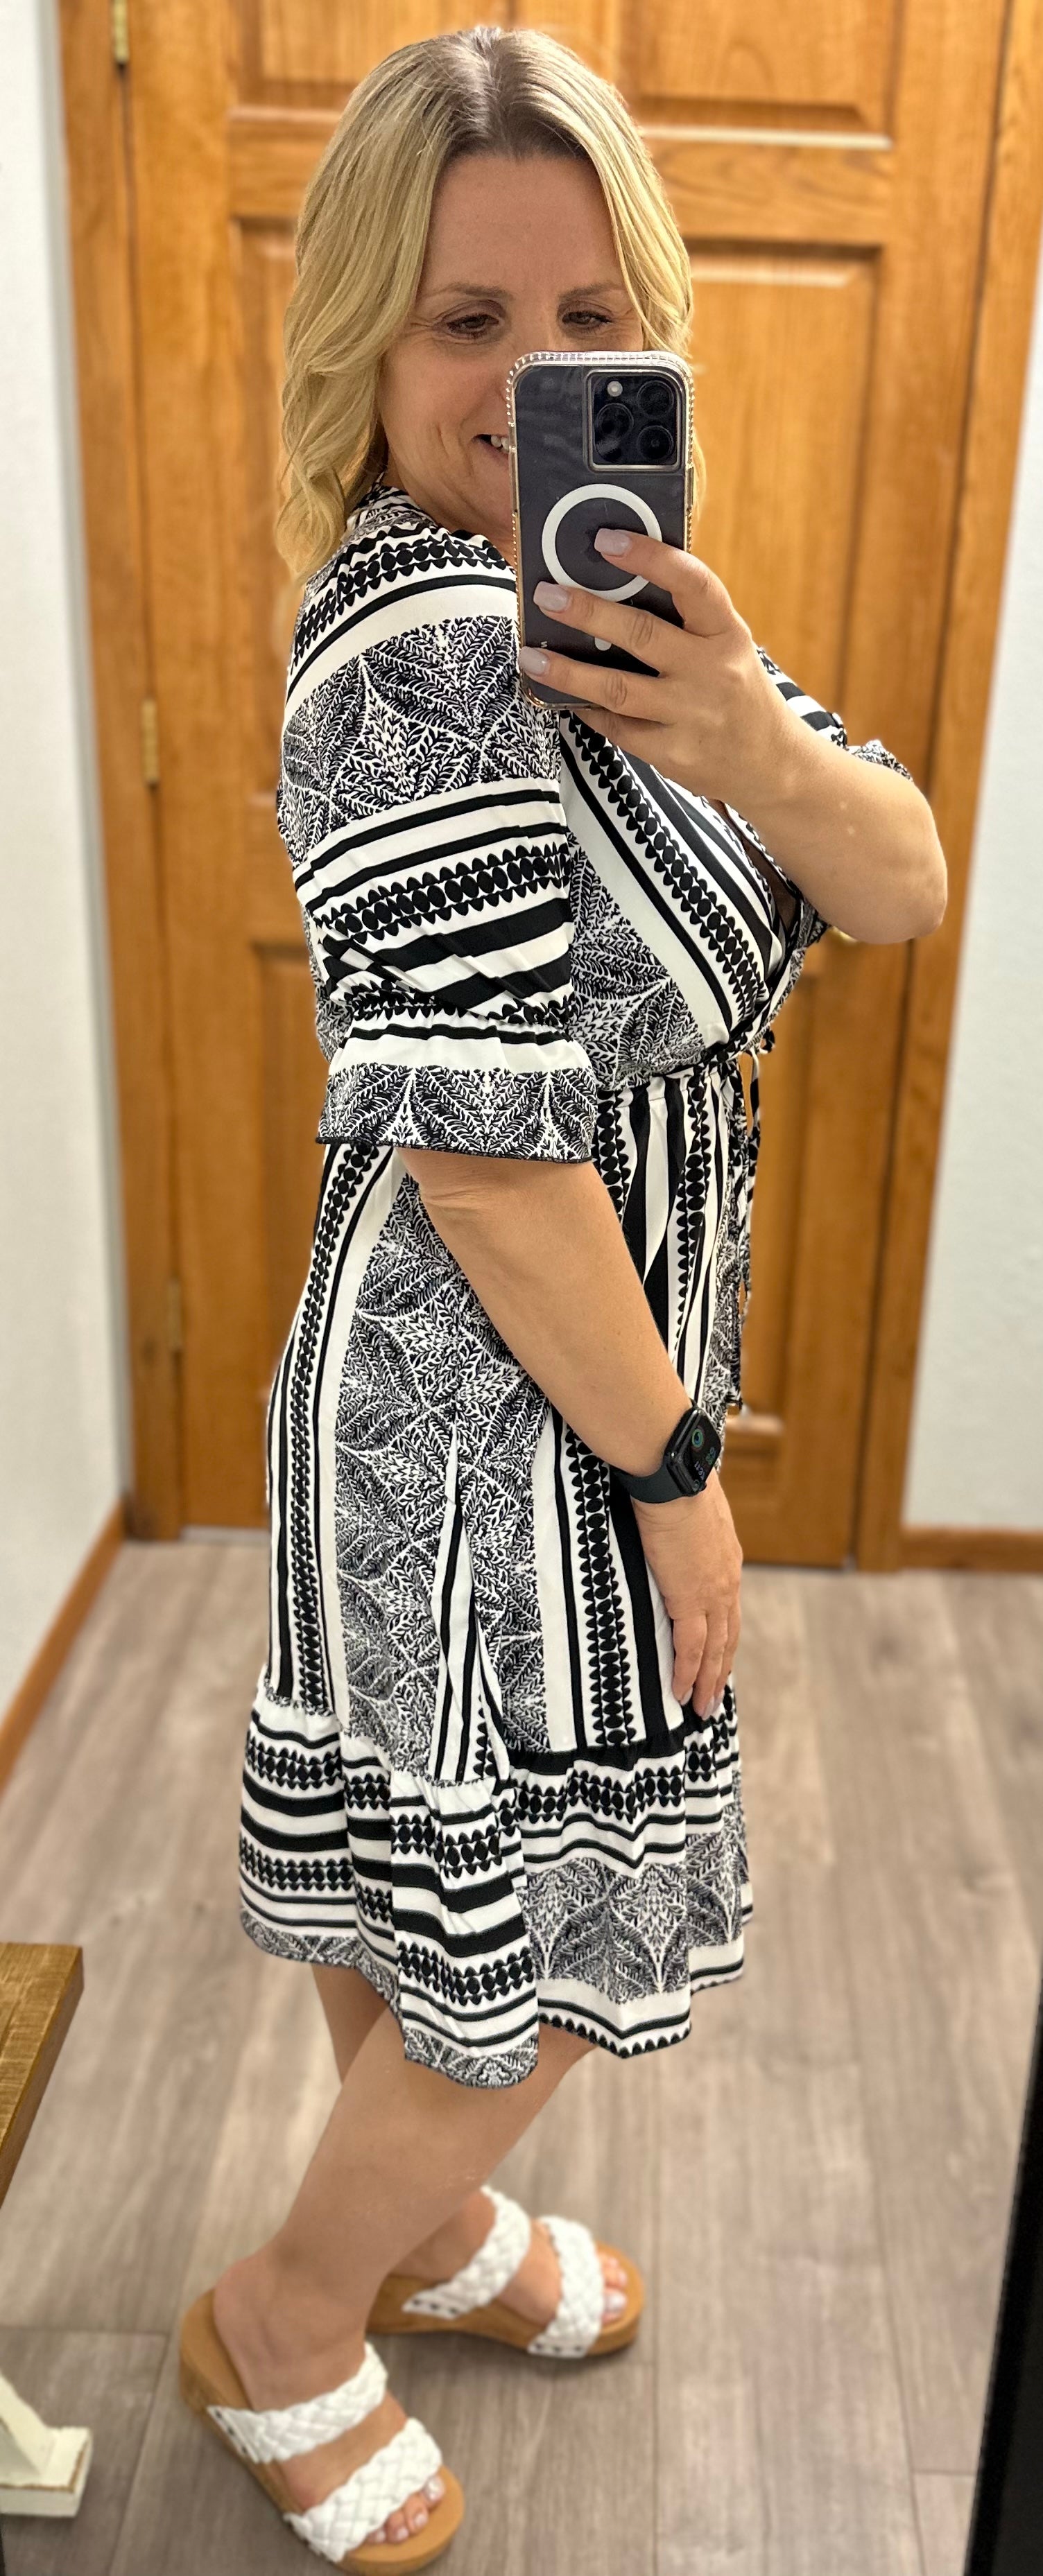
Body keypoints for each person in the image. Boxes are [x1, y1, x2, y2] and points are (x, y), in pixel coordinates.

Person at [178, 24, 947, 2568]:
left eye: (587, 320)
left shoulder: (627, 629)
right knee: (536, 1934)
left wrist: (751, 731)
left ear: (654, 334)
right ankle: (288, 2311)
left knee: (432, 1879)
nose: (528, 383)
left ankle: (403, 2236)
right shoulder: (411, 651)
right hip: (491, 1418)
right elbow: (499, 1161)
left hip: (547, 1390)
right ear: (366, 342)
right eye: (466, 322)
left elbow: (904, 875)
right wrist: (683, 1475)